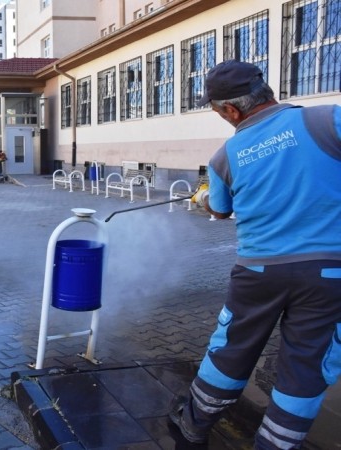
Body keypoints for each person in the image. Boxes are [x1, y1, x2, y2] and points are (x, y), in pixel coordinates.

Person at [168, 60, 341, 449]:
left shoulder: (225, 157)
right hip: (329, 273)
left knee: (230, 350)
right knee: (307, 366)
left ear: (231, 110)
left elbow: (219, 210)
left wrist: (203, 197)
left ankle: (193, 426)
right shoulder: (328, 121)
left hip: (258, 272)